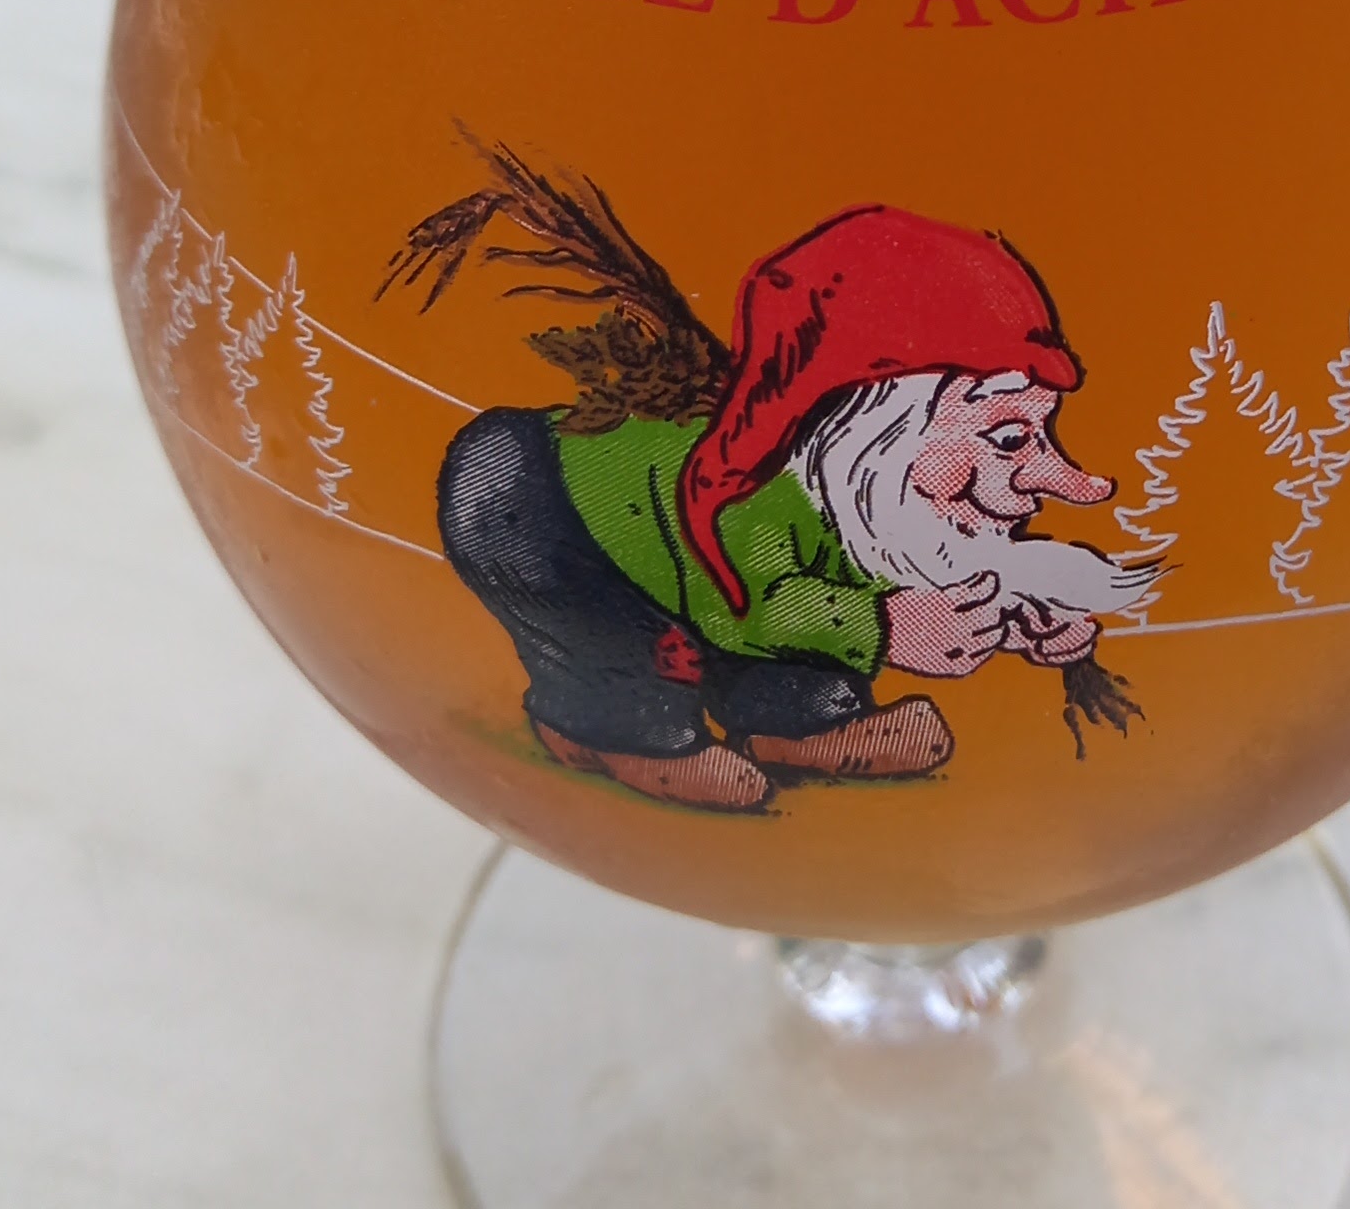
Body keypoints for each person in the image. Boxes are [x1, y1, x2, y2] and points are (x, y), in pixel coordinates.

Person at [431, 204, 1158, 813]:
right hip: (530, 504)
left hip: (684, 576)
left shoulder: (881, 511)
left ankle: (799, 725)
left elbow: (869, 584)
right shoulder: (755, 490)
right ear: (886, 429)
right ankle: (617, 734)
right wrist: (886, 626)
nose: (1054, 479)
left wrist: (1011, 615)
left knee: (815, 636)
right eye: (1009, 439)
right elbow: (747, 606)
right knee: (630, 645)